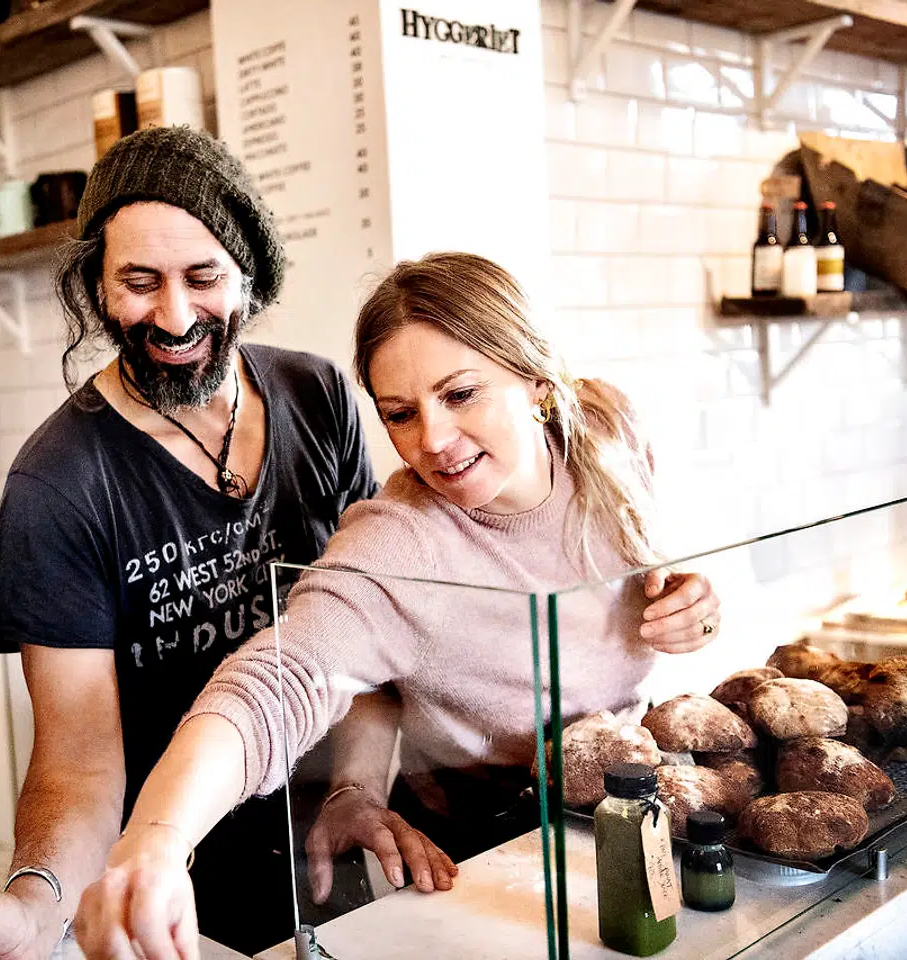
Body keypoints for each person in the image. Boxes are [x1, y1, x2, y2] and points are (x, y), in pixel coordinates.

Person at [73, 252, 722, 959]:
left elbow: (650, 559)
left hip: (634, 802)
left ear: (537, 383)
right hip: (491, 852)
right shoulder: (401, 540)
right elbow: (276, 682)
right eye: (401, 415)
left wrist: (697, 602)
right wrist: (156, 843)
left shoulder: (607, 424)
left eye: (461, 394)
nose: (434, 443)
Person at [0, 126, 379, 959]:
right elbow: (76, 763)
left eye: (203, 278)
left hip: (344, 847)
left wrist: (361, 786)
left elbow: (376, 623)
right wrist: (36, 910)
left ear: (250, 274)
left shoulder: (318, 395)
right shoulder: (60, 485)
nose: (175, 317)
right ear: (96, 289)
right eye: (139, 283)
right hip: (174, 897)